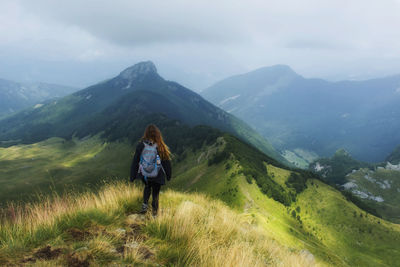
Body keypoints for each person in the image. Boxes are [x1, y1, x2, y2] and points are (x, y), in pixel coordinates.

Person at [130, 124, 172, 216]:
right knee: (156, 193)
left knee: (147, 187)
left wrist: (132, 176)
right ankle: (154, 213)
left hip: (145, 174)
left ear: (146, 134)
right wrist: (168, 175)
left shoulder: (141, 145)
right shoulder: (160, 145)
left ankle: (145, 205)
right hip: (158, 174)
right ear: (157, 134)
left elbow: (135, 161)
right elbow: (166, 162)